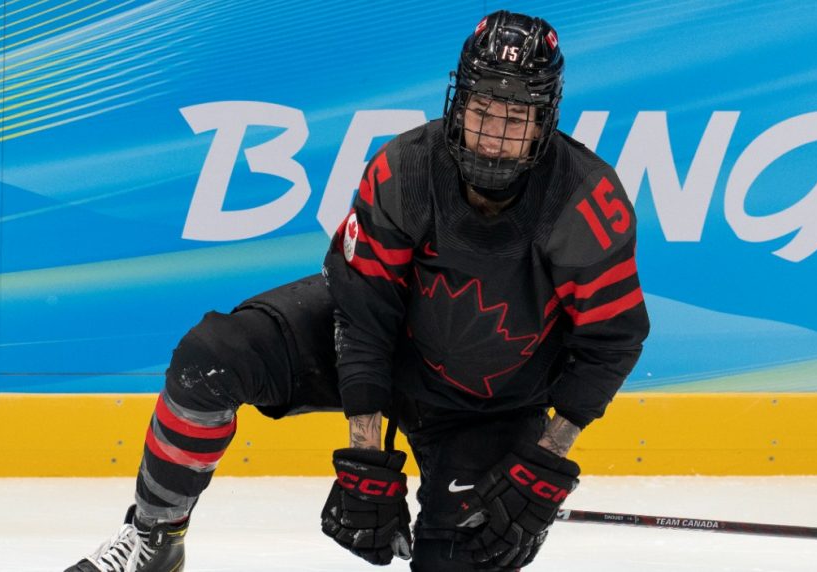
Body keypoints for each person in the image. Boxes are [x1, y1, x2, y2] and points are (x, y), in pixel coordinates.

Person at [66, 10, 649, 572]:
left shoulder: (582, 201)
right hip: (387, 349)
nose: (493, 136)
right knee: (212, 358)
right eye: (483, 110)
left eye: (515, 118)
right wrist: (365, 452)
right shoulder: (405, 170)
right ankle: (154, 539)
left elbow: (612, 342)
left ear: (544, 121)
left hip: (489, 405)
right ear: (459, 102)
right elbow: (363, 314)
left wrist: (544, 461)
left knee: (470, 554)